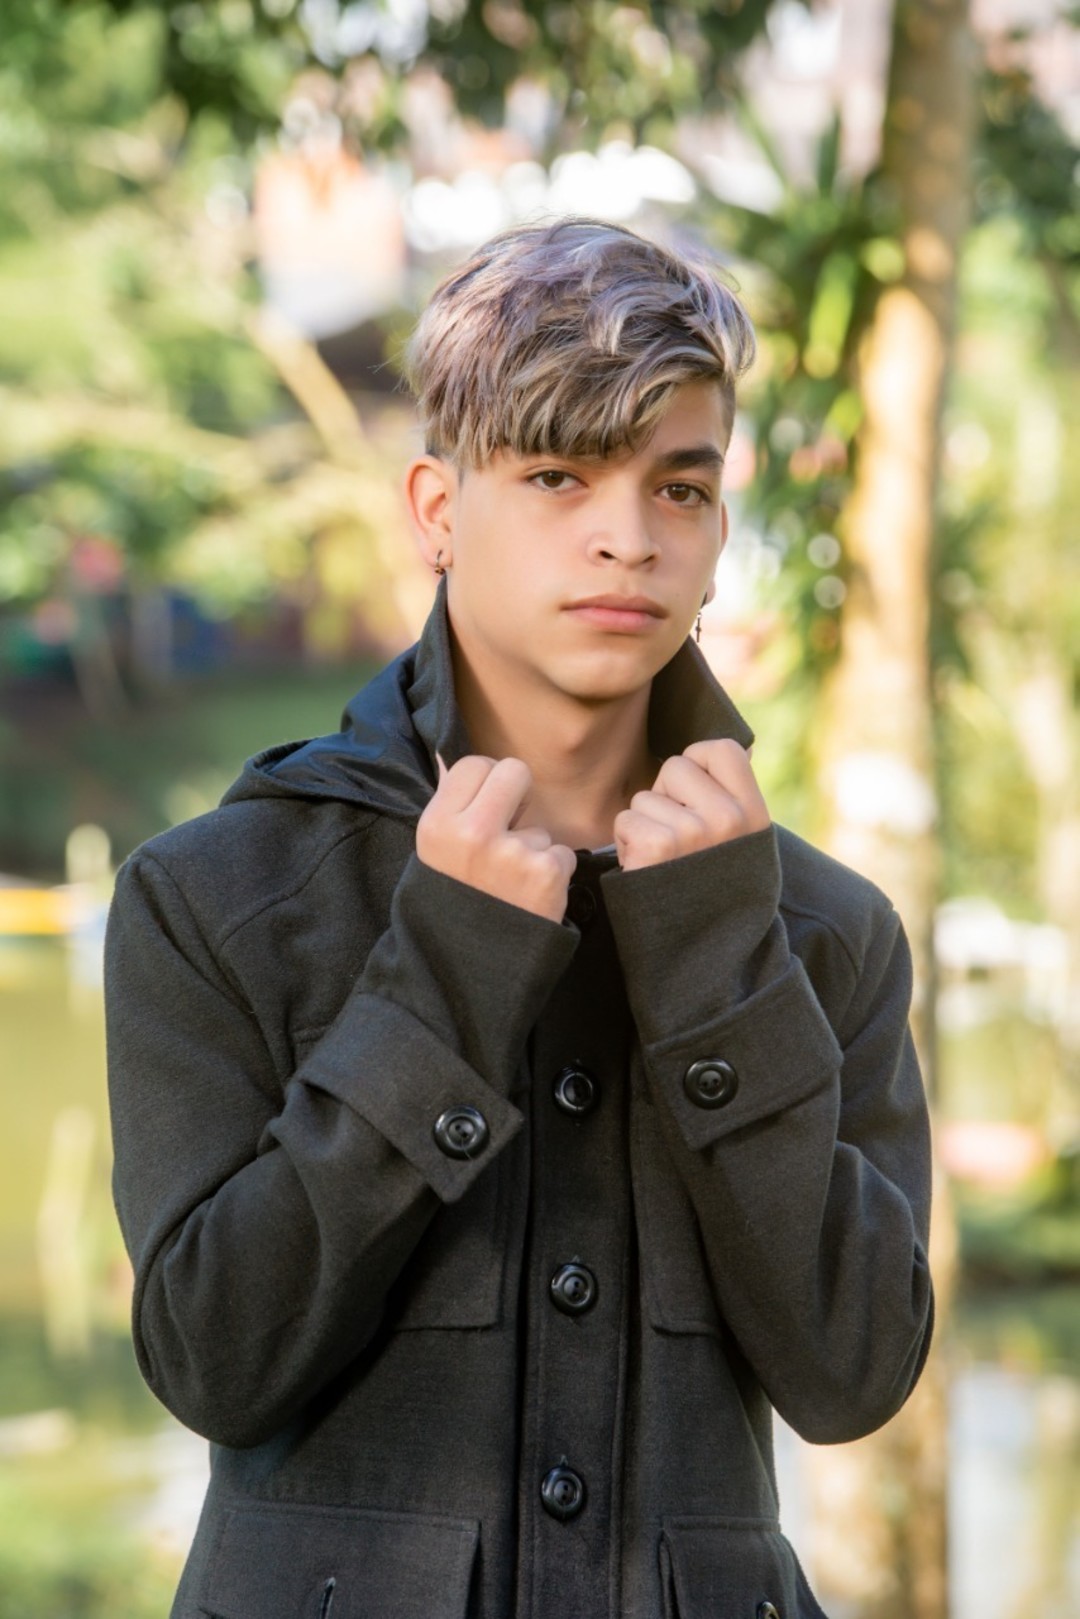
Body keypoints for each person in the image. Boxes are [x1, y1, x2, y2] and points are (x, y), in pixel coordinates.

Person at [105, 217, 933, 1619]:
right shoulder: (214, 898)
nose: (628, 537)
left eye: (680, 487)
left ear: (719, 532)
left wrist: (719, 961)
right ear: (437, 509)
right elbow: (214, 1363)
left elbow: (853, 1376)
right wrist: (447, 973)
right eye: (558, 475)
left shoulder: (823, 931)